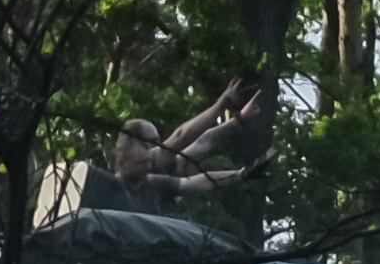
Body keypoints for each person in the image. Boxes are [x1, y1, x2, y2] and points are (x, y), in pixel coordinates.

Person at [111, 79, 267, 204]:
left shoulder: (156, 182)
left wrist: (242, 174)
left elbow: (203, 147)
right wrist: (219, 106)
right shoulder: (105, 186)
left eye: (157, 143)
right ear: (126, 145)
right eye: (147, 144)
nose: (154, 150)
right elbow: (181, 136)